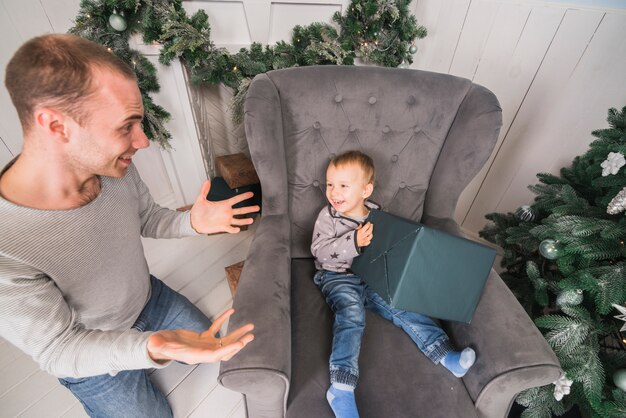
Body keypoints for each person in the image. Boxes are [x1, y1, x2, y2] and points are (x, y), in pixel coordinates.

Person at [0, 34, 258, 417]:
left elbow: (149, 218)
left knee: (214, 345)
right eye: (127, 127)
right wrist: (151, 347)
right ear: (56, 125)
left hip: (149, 299)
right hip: (87, 346)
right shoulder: (9, 243)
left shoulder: (113, 168)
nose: (142, 142)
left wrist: (193, 221)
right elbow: (57, 349)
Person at [311, 150, 476, 418]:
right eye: (330, 184)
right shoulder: (328, 216)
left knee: (401, 307)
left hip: (372, 276)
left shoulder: (376, 213)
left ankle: (445, 355)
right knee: (351, 315)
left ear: (366, 190)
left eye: (343, 185)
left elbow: (387, 246)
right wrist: (354, 242)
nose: (333, 192)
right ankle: (340, 388)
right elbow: (318, 251)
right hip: (337, 276)